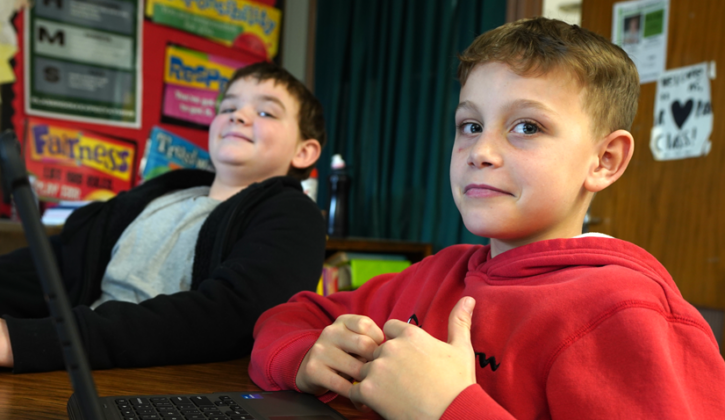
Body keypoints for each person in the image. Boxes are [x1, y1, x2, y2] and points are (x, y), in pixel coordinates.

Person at [248, 18, 725, 419]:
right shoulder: (436, 274)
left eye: (527, 127)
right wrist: (307, 356)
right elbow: (293, 316)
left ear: (604, 161)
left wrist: (449, 407)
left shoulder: (626, 313)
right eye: (470, 126)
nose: (481, 151)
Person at [0, 62, 328, 374]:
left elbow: (229, 316)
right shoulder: (153, 197)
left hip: (161, 379)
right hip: (75, 359)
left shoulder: (293, 214)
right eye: (228, 107)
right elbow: (43, 269)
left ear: (305, 152)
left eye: (265, 111)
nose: (238, 115)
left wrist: (33, 339)